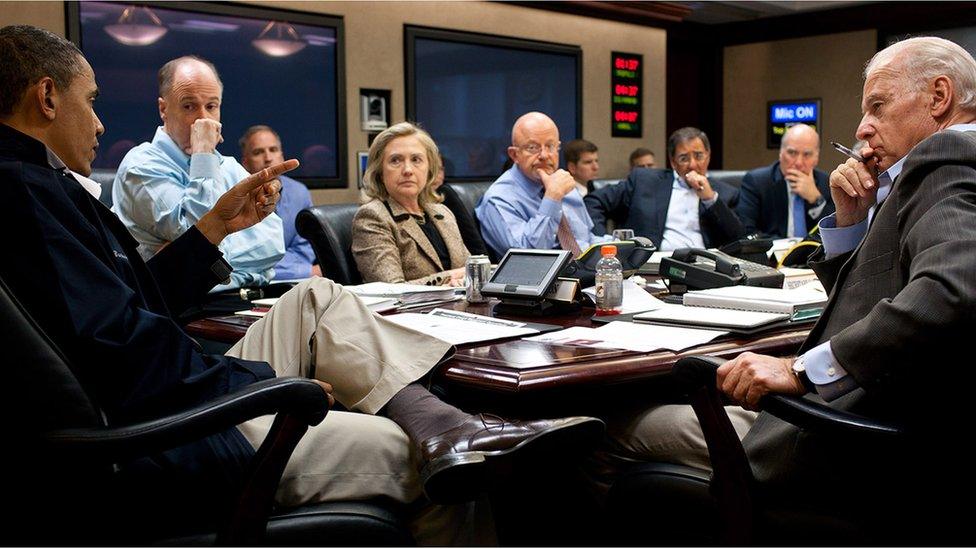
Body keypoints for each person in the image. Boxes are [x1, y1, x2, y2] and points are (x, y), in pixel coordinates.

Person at [0, 25, 603, 543]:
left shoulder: (38, 186)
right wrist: (268, 381)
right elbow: (127, 353)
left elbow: (135, 306)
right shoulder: (25, 194)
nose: (101, 122)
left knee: (314, 296)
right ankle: (449, 440)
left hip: (167, 391)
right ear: (47, 97)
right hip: (164, 437)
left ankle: (453, 428)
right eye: (92, 99)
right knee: (426, 464)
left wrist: (212, 230)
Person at [683, 36, 976, 540]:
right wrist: (850, 222)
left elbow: (951, 291)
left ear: (939, 96)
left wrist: (801, 370)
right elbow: (875, 292)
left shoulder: (947, 155)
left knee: (614, 429)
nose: (862, 128)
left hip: (843, 445)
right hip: (896, 434)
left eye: (877, 107)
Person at [112, 56, 283, 293]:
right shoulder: (140, 166)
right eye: (189, 106)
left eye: (211, 106)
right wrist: (203, 152)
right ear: (163, 109)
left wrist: (203, 258)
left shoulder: (227, 165)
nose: (203, 118)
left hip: (241, 301)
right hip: (179, 314)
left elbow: (275, 244)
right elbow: (199, 240)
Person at [476, 112, 612, 258]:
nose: (544, 155)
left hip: (586, 274)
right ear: (514, 155)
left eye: (550, 146)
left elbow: (585, 240)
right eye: (533, 147)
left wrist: (622, 244)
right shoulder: (498, 199)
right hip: (538, 278)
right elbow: (527, 257)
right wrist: (552, 198)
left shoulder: (562, 182)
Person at [584, 127, 745, 250]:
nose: (693, 165)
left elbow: (739, 239)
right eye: (684, 158)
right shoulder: (644, 181)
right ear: (673, 162)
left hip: (707, 269)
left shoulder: (726, 193)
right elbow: (594, 201)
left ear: (708, 156)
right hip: (653, 267)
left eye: (699, 156)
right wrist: (602, 241)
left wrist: (710, 199)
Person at [352, 122, 469, 286]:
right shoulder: (372, 217)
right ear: (379, 171)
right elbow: (391, 290)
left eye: (416, 160)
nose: (408, 170)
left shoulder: (442, 213)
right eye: (395, 160)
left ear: (429, 168)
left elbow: (470, 270)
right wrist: (450, 278)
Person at [239, 125, 321, 280]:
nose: (268, 158)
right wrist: (306, 271)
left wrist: (290, 271)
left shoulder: (299, 192)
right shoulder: (235, 197)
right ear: (245, 162)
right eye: (258, 152)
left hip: (293, 282)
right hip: (246, 286)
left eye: (273, 150)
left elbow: (304, 249)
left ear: (282, 156)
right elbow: (245, 260)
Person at [737, 123, 834, 238]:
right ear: (781, 153)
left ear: (816, 158)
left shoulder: (826, 183)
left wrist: (816, 200)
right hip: (773, 253)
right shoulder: (757, 182)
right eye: (792, 153)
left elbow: (835, 233)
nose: (798, 162)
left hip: (813, 254)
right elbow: (746, 232)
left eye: (807, 154)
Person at [430, 152, 490, 256]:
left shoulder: (445, 194)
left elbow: (476, 247)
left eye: (439, 169)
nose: (435, 176)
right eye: (430, 170)